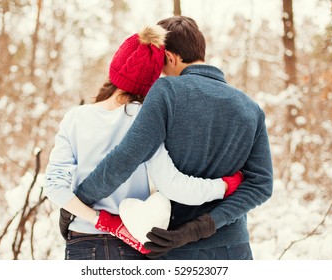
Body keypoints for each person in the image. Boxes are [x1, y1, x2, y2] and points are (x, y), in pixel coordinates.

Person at [71, 16, 274, 260]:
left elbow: (127, 157)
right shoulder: (250, 108)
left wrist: (79, 200)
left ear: (170, 57)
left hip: (174, 248)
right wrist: (202, 227)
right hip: (234, 247)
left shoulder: (167, 92)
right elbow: (261, 185)